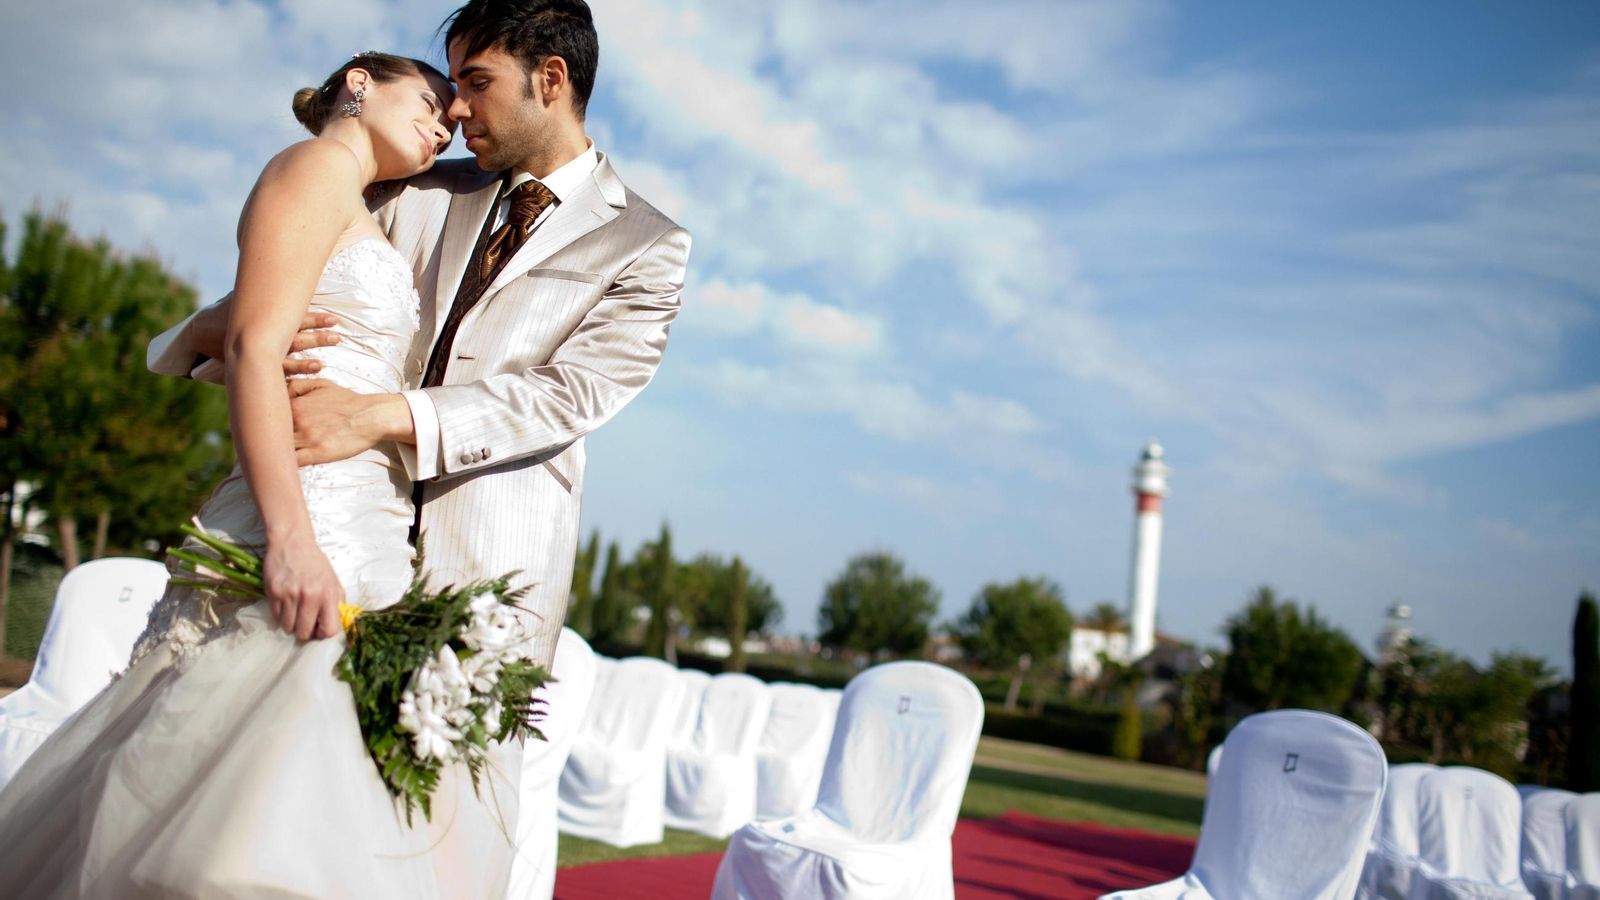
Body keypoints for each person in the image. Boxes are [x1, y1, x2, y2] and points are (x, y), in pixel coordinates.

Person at [144, 0, 690, 894]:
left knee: (438, 848)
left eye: (476, 81)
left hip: (492, 573)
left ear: (550, 79)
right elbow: (280, 292)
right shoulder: (411, 188)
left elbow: (573, 393)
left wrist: (381, 415)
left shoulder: (648, 244)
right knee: (268, 818)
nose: (456, 108)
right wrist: (207, 335)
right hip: (332, 538)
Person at [0, 53, 498, 897]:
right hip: (301, 519)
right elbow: (254, 347)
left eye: (448, 124)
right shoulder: (313, 165)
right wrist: (291, 539)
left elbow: (249, 334)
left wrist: (211, 334)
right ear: (360, 82)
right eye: (427, 102)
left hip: (368, 525)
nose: (439, 129)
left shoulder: (356, 202)